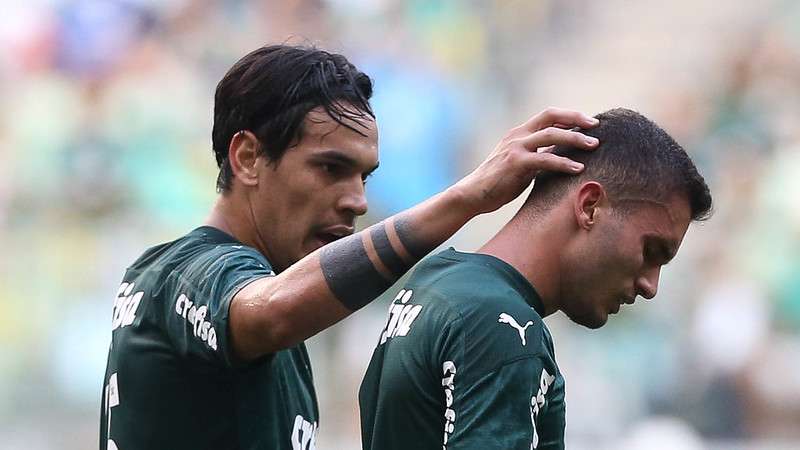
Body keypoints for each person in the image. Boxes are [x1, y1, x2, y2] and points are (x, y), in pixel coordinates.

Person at [99, 44, 601, 450]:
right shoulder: (185, 273)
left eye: (364, 175)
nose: (357, 200)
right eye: (331, 168)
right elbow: (269, 311)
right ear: (249, 157)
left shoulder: (272, 325)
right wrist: (466, 198)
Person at [358, 108, 713, 450]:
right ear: (589, 206)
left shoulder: (433, 282)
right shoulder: (503, 324)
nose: (650, 286)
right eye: (651, 251)